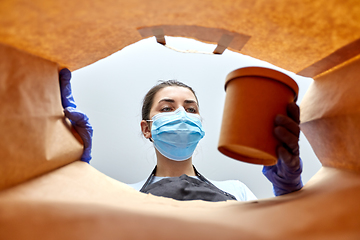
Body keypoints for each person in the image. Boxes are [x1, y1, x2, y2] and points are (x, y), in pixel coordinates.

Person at [59, 69, 303, 202]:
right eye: (166, 108)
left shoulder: (236, 191)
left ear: (200, 125)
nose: (182, 115)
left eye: (191, 109)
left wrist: (289, 192)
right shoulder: (121, 196)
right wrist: (71, 169)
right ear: (147, 129)